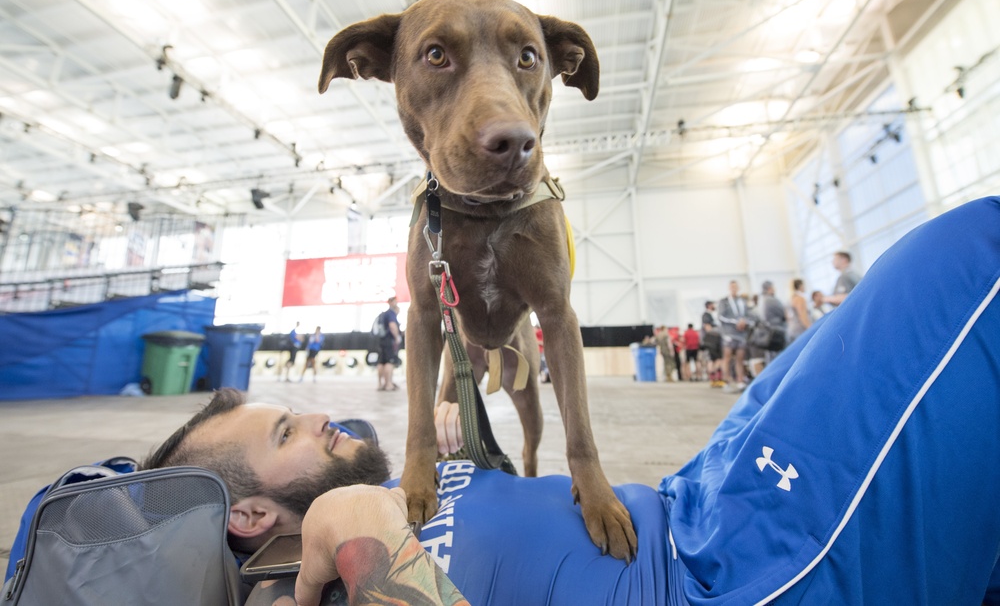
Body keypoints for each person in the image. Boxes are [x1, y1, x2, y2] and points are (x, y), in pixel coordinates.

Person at [144, 197, 1000, 606]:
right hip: (746, 568)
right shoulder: (326, 587)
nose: (320, 417)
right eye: (288, 430)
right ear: (253, 512)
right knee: (968, 259)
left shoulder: (401, 492)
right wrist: (363, 539)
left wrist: (462, 469)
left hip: (698, 495)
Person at [717, 280, 752, 393]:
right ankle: (727, 381)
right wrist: (735, 322)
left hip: (741, 334)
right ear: (729, 288)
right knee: (727, 357)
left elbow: (749, 315)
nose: (734, 289)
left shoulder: (743, 301)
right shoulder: (724, 301)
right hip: (729, 334)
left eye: (736, 287)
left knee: (740, 358)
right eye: (732, 287)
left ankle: (740, 381)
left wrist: (744, 322)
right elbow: (721, 316)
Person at [748, 280, 787, 377]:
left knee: (770, 358)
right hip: (777, 332)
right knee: (779, 358)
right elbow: (784, 314)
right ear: (770, 288)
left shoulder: (761, 300)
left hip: (768, 333)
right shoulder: (771, 300)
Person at [376, 297, 402, 391]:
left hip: (381, 340)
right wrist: (397, 337)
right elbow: (392, 326)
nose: (396, 302)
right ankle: (388, 384)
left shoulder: (382, 314)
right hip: (389, 341)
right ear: (391, 302)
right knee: (389, 362)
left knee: (381, 362)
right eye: (395, 301)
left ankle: (380, 384)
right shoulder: (391, 313)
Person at [786, 278, 812, 344]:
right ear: (800, 286)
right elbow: (803, 316)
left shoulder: (790, 299)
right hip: (800, 330)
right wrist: (811, 329)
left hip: (792, 330)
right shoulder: (800, 299)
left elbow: (787, 317)